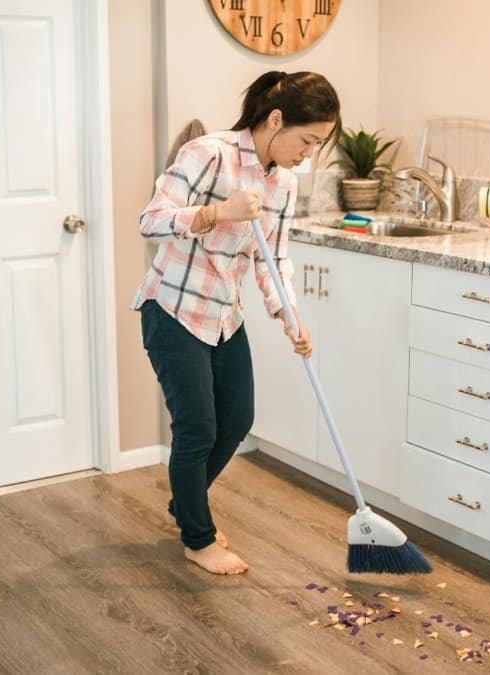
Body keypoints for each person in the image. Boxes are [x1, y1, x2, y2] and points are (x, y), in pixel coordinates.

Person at [131, 71, 341, 575]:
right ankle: (198, 538)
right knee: (198, 429)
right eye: (307, 139)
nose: (308, 154)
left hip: (224, 316)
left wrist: (291, 317)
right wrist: (216, 212)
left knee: (237, 421)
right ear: (276, 120)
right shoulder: (209, 153)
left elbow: (276, 260)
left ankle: (186, 504)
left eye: (318, 144)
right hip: (174, 311)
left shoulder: (283, 185)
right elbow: (150, 220)